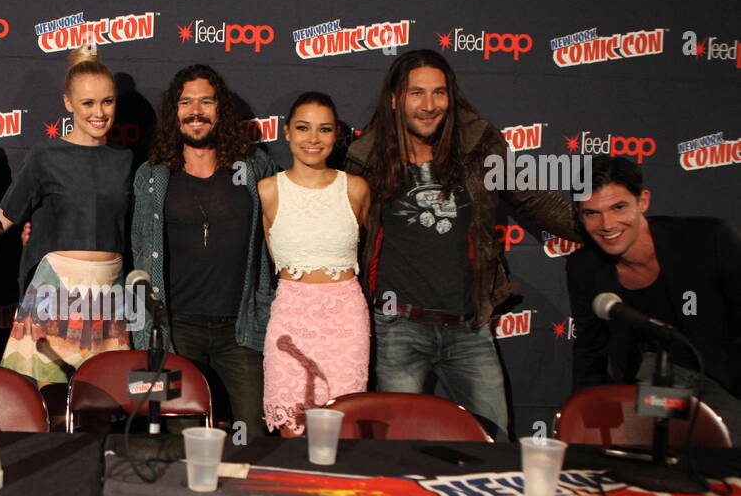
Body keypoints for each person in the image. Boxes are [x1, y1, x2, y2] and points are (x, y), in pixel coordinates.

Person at [345, 49, 579, 440]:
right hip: (397, 328)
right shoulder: (365, 158)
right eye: (416, 93)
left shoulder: (478, 146)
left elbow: (531, 197)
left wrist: (597, 226)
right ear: (394, 99)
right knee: (397, 450)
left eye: (438, 93)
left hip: (468, 327)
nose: (429, 105)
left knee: (495, 444)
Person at [130, 65, 277, 436]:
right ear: (174, 112)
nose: (196, 110)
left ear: (220, 110)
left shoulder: (254, 165)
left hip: (241, 329)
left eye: (206, 101)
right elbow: (138, 255)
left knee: (253, 437)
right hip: (175, 330)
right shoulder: (153, 176)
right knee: (179, 440)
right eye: (186, 102)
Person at [566, 154, 741, 435]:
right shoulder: (584, 267)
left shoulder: (709, 240)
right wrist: (589, 421)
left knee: (723, 455)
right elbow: (591, 350)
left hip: (723, 379)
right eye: (591, 213)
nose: (607, 224)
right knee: (651, 451)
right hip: (652, 386)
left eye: (618, 207)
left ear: (643, 202)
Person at [0, 46, 134, 383]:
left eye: (107, 101)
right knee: (45, 404)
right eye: (87, 103)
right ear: (68, 103)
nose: (99, 112)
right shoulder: (45, 155)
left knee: (104, 406)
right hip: (54, 290)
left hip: (110, 293)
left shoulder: (127, 160)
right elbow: (3, 220)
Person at [259, 92, 370, 436]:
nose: (312, 139)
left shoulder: (355, 188)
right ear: (287, 132)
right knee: (292, 429)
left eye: (323, 130)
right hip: (291, 317)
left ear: (336, 135)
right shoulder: (267, 190)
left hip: (345, 319)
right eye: (303, 128)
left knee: (343, 428)